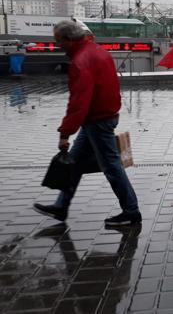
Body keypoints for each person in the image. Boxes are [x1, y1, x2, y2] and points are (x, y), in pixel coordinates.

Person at [33, 20, 141, 226]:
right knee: (75, 162)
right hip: (103, 116)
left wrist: (65, 134)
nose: (58, 45)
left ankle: (131, 211)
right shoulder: (97, 51)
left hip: (97, 120)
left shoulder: (80, 61)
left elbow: (78, 102)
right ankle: (61, 207)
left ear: (68, 39)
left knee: (111, 166)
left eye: (58, 41)